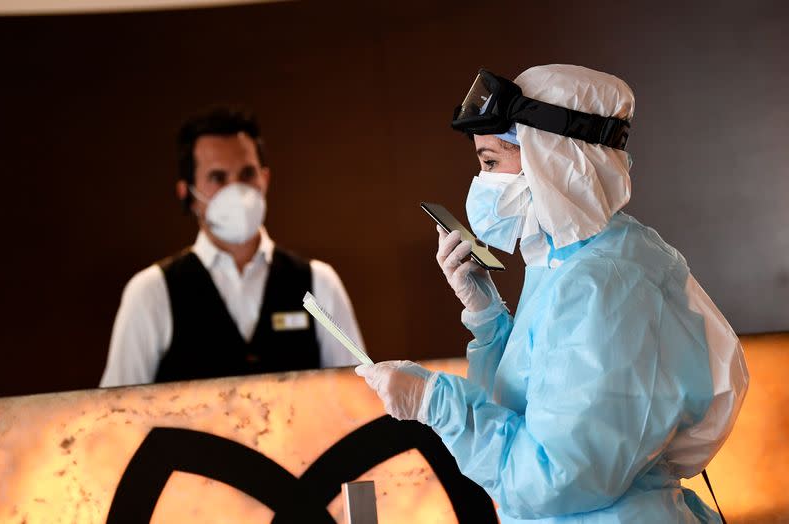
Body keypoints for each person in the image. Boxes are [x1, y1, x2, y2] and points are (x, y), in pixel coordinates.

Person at [356, 65, 749, 522]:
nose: (482, 183)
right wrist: (487, 318)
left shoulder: (604, 282)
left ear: (551, 159)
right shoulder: (568, 260)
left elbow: (552, 479)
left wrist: (436, 403)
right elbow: (529, 409)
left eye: (490, 163)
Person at [101, 107, 364, 386]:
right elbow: (116, 412)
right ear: (187, 193)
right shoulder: (151, 292)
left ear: (265, 179)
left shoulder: (318, 282)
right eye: (218, 178)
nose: (236, 190)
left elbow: (359, 395)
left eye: (247, 174)